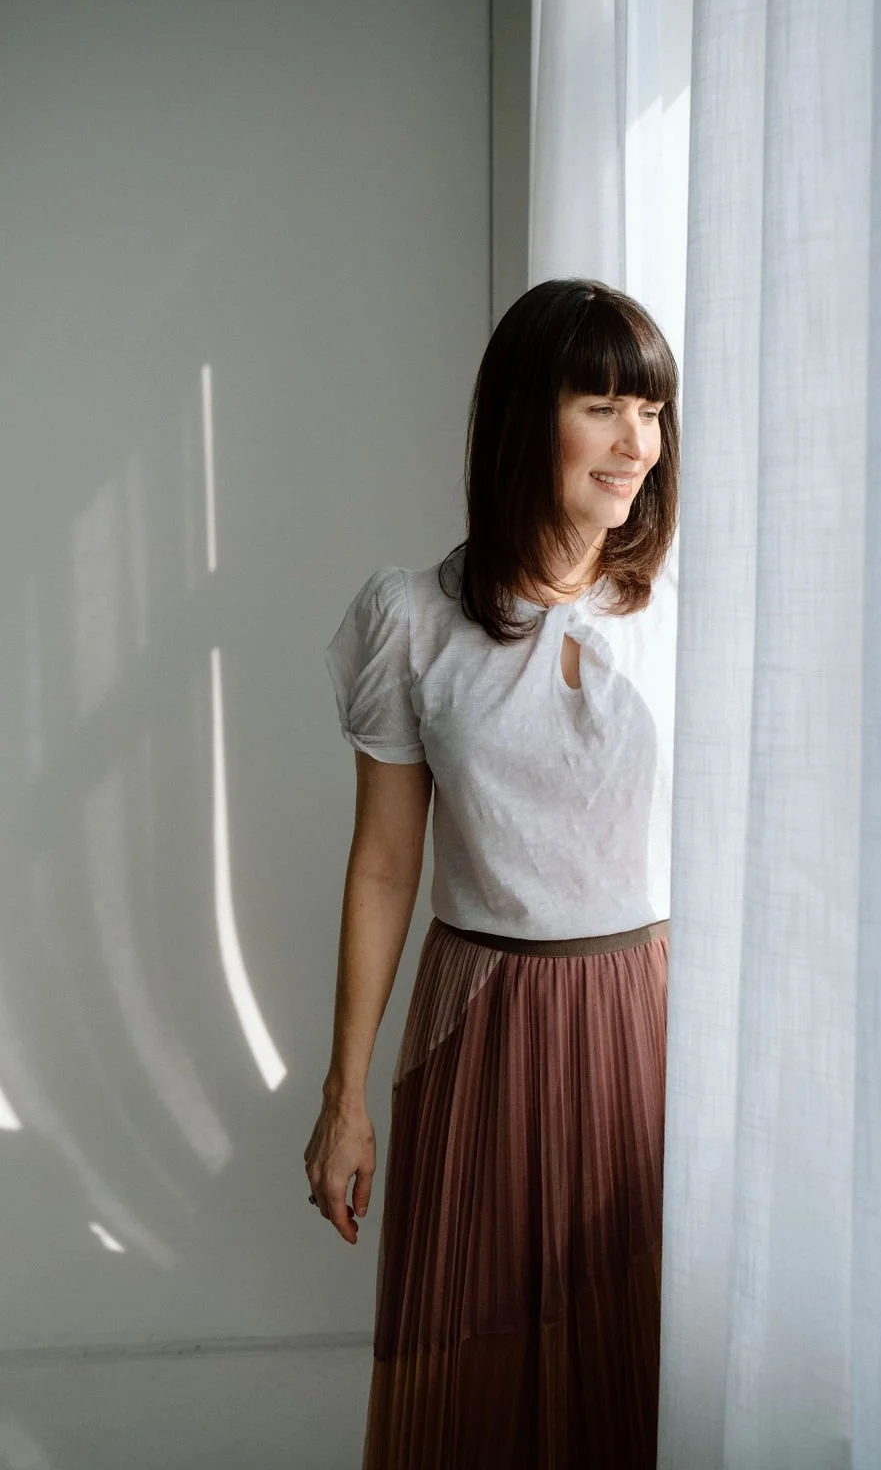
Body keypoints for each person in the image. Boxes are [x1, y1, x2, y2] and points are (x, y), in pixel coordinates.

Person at [304, 277, 680, 1470]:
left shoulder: (680, 612)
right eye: (603, 405)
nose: (636, 444)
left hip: (649, 1021)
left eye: (654, 412)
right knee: (471, 1382)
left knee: (632, 1361)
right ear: (529, 419)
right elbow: (381, 867)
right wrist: (344, 1096)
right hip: (484, 1022)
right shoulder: (412, 619)